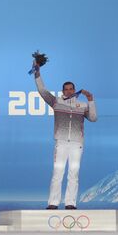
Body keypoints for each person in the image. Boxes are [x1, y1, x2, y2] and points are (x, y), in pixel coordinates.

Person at [33, 60, 97, 209]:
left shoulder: (82, 105)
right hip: (61, 143)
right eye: (66, 89)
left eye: (71, 89)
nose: (68, 91)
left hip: (76, 144)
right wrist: (37, 73)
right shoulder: (56, 102)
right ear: (63, 92)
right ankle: (53, 203)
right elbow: (42, 90)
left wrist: (91, 101)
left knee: (73, 173)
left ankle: (70, 203)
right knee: (58, 173)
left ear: (75, 90)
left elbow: (93, 118)